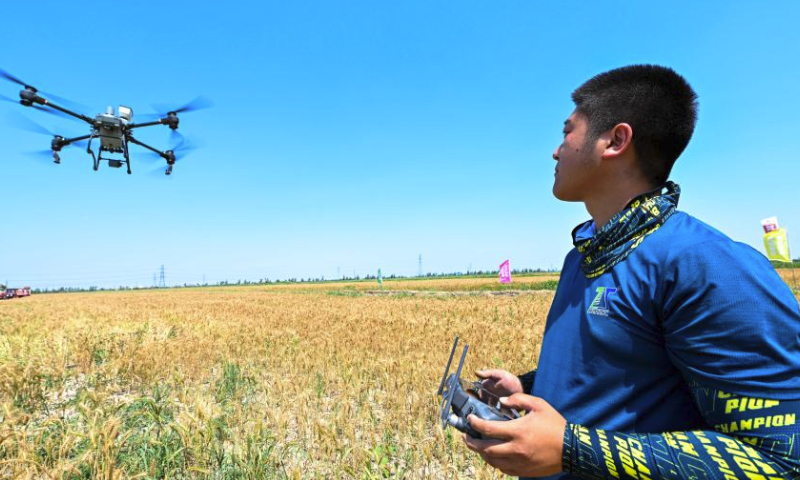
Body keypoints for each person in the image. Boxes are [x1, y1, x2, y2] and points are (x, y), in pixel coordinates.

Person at [462, 64, 800, 479]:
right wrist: (529, 389)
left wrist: (571, 449)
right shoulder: (583, 256)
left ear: (615, 140)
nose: (555, 150)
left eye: (567, 132)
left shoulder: (709, 266)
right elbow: (620, 376)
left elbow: (779, 459)